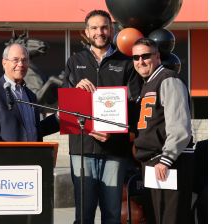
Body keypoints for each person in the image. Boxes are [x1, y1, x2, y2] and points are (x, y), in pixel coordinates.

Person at [63, 9, 142, 224]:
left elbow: (135, 108)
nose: (100, 32)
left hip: (114, 150)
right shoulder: (74, 61)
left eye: (105, 27)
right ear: (86, 32)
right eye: (95, 28)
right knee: (84, 215)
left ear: (112, 29)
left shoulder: (126, 63)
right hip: (82, 150)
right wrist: (75, 90)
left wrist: (115, 135)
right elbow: (65, 110)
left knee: (112, 214)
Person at [131, 38, 194, 224]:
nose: (140, 61)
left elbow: (180, 126)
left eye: (145, 56)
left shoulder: (169, 79)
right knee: (156, 216)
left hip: (169, 163)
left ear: (157, 56)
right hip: (153, 163)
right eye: (136, 57)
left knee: (170, 217)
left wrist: (166, 159)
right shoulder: (147, 83)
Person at [0, 43, 59, 141]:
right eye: (15, 60)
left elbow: (34, 131)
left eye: (24, 60)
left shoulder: (31, 95)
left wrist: (58, 117)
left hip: (34, 155)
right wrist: (11, 154)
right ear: (4, 63)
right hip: (8, 156)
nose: (21, 64)